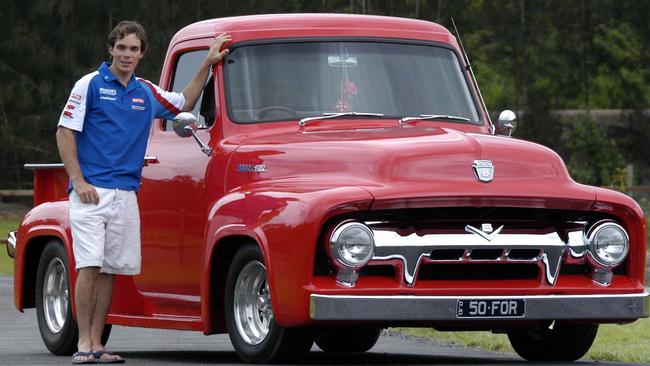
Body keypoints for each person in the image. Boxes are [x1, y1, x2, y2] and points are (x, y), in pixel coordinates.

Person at [56, 21, 231, 364]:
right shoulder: (89, 84)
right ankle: (83, 344)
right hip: (91, 193)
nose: (127, 55)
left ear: (141, 54)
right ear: (111, 49)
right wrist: (79, 181)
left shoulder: (145, 91)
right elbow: (65, 132)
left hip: (126, 193)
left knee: (110, 270)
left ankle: (98, 345)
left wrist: (207, 63)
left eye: (134, 49)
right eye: (121, 48)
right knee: (89, 267)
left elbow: (185, 101)